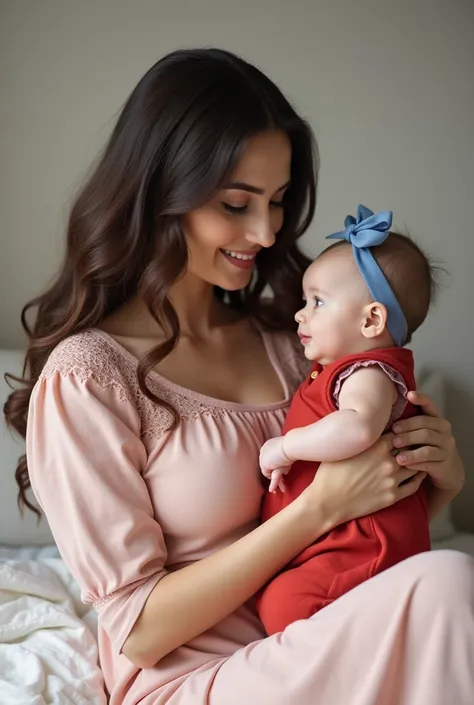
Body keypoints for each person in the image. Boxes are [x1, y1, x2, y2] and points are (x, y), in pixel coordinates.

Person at [4, 48, 472, 705]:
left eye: (278, 201)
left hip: (319, 632)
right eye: (235, 202)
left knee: (447, 586)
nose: (265, 230)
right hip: (193, 678)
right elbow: (139, 630)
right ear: (161, 193)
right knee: (450, 584)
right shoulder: (91, 377)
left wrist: (431, 485)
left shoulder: (294, 347)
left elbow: (355, 544)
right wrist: (318, 508)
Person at [256, 206, 435, 634]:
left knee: (285, 605)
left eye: (317, 301)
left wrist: (285, 446)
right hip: (338, 539)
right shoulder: (345, 371)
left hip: (364, 545)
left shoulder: (369, 372)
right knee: (281, 600)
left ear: (372, 319)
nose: (301, 314)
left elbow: (357, 427)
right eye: (304, 301)